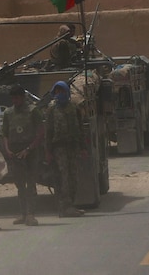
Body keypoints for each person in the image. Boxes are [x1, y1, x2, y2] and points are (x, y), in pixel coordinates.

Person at [2, 84, 44, 226]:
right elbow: (5, 134)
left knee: (31, 183)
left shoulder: (33, 111)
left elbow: (40, 133)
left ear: (22, 97)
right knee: (20, 184)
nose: (15, 101)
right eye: (13, 98)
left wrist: (29, 149)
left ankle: (31, 214)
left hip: (30, 152)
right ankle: (23, 213)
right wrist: (7, 150)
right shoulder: (8, 113)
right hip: (15, 152)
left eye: (17, 98)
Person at [45, 81, 85, 218]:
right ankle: (64, 207)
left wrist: (82, 147)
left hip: (72, 147)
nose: (59, 94)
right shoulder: (51, 109)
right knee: (62, 177)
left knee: (73, 177)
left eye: (62, 91)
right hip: (59, 148)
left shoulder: (74, 107)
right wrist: (48, 151)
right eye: (57, 92)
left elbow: (80, 128)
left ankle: (71, 205)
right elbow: (48, 131)